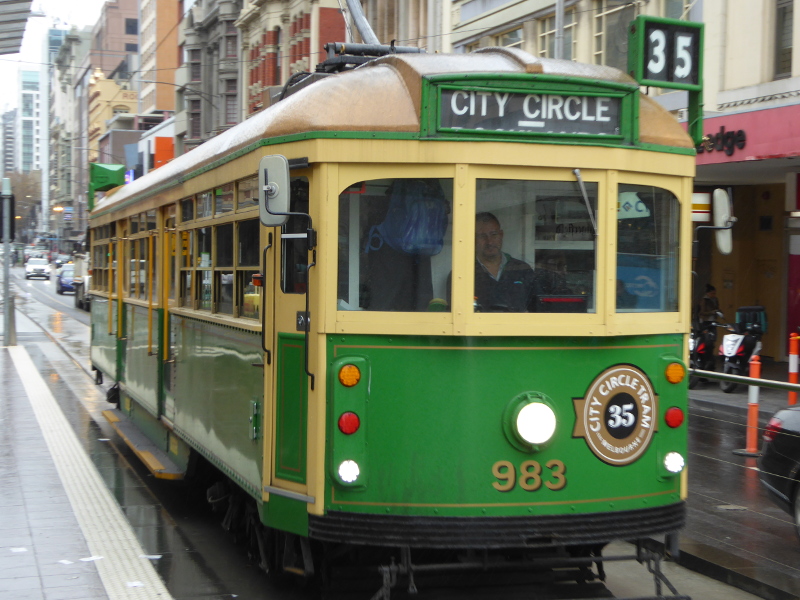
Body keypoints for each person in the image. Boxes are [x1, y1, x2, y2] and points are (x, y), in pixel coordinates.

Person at [472, 212, 536, 312]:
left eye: (494, 235)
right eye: (482, 236)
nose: (490, 241)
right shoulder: (463, 274)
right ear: (473, 238)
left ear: (501, 235)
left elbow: (537, 312)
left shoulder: (522, 269)